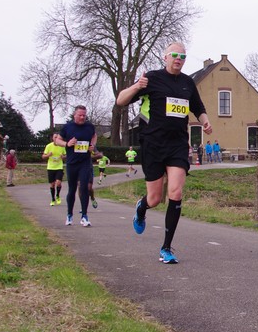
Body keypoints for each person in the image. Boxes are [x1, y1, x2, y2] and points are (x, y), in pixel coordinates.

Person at [116, 42, 212, 264]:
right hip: (153, 144)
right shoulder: (152, 78)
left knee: (176, 192)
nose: (178, 59)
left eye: (183, 56)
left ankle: (166, 248)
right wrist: (137, 86)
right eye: (174, 55)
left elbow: (198, 107)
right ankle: (142, 208)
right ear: (165, 57)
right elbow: (121, 101)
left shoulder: (188, 83)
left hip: (178, 144)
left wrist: (205, 122)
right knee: (155, 198)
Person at [53, 105, 97, 227]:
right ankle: (69, 214)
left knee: (84, 188)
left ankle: (84, 216)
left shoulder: (89, 126)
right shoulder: (67, 127)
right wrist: (67, 143)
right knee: (72, 189)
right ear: (75, 115)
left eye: (84, 115)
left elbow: (94, 136)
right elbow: (57, 140)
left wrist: (92, 145)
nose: (82, 117)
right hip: (72, 163)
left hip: (85, 162)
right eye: (80, 115)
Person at [42, 138, 66, 205]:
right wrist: (48, 155)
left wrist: (63, 157)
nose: (56, 139)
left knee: (58, 182)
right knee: (52, 184)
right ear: (53, 138)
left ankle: (57, 195)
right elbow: (43, 156)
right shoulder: (49, 146)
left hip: (59, 167)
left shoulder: (62, 146)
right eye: (55, 137)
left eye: (57, 138)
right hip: (51, 167)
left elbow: (66, 155)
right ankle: (53, 199)